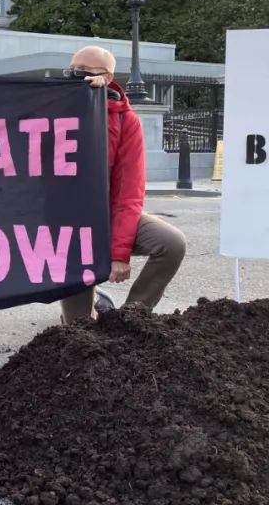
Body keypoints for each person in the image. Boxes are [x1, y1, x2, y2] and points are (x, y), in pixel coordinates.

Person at [59, 45, 186, 322]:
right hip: (67, 223)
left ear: (106, 76)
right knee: (77, 328)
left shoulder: (125, 120)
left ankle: (131, 319)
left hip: (107, 215)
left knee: (171, 243)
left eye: (83, 73)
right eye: (70, 71)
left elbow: (129, 192)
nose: (74, 77)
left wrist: (119, 254)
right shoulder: (55, 106)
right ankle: (88, 308)